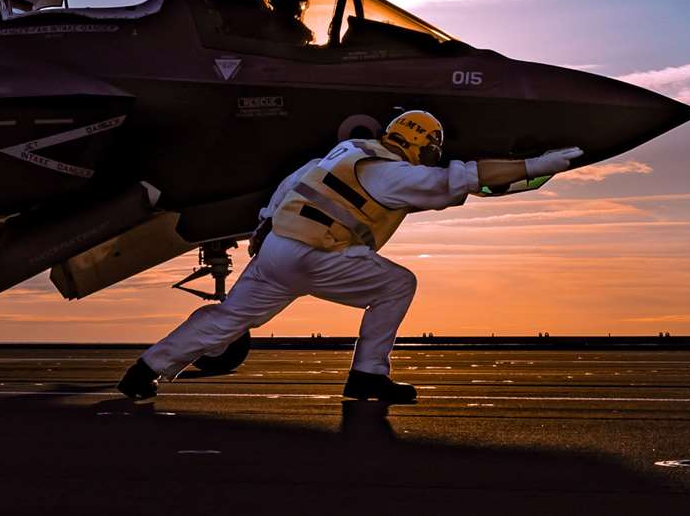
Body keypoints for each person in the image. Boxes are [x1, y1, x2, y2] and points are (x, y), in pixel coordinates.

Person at [118, 111, 581, 403]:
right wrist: (539, 166)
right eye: (432, 149)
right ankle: (367, 377)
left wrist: (262, 232)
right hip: (321, 254)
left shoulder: (342, 153)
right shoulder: (393, 174)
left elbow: (286, 188)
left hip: (277, 247)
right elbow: (460, 179)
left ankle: (145, 372)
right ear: (423, 144)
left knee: (229, 318)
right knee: (398, 285)